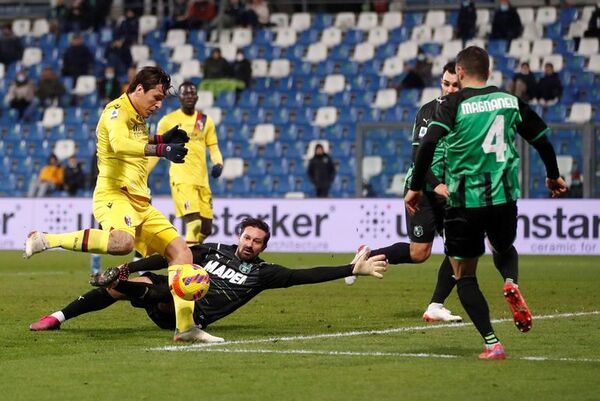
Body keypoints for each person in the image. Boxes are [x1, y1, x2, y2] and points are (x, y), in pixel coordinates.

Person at [405, 46, 567, 359]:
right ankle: (510, 281)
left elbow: (427, 146)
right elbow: (542, 140)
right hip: (504, 197)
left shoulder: (451, 104)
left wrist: (415, 186)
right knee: (504, 249)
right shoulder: (510, 101)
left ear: (460, 73)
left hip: (464, 201)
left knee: (464, 275)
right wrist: (553, 175)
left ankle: (492, 343)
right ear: (489, 73)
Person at [24, 66, 206, 343]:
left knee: (183, 254)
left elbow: (137, 141)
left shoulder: (138, 115)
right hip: (114, 194)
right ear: (139, 89)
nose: (158, 105)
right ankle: (46, 239)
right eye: (155, 98)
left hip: (141, 201)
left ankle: (186, 329)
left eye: (161, 101)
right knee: (121, 243)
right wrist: (161, 150)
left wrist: (162, 139)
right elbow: (120, 144)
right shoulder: (115, 112)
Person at [29, 218, 389, 343]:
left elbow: (305, 276)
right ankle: (57, 317)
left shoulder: (264, 273)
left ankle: (122, 283)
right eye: (247, 238)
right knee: (129, 284)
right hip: (166, 294)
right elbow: (167, 255)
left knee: (145, 287)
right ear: (240, 237)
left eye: (257, 242)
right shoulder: (212, 250)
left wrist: (349, 269)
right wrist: (132, 264)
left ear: (265, 245)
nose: (250, 245)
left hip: (188, 313)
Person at [150, 81, 224, 245]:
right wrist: (144, 173)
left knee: (206, 229)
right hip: (181, 178)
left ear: (197, 96)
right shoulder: (168, 121)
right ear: (180, 97)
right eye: (185, 94)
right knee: (194, 224)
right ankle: (188, 265)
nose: (189, 96)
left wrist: (218, 163)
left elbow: (213, 147)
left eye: (192, 93)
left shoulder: (204, 120)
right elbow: (156, 151)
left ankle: (189, 252)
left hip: (202, 180)